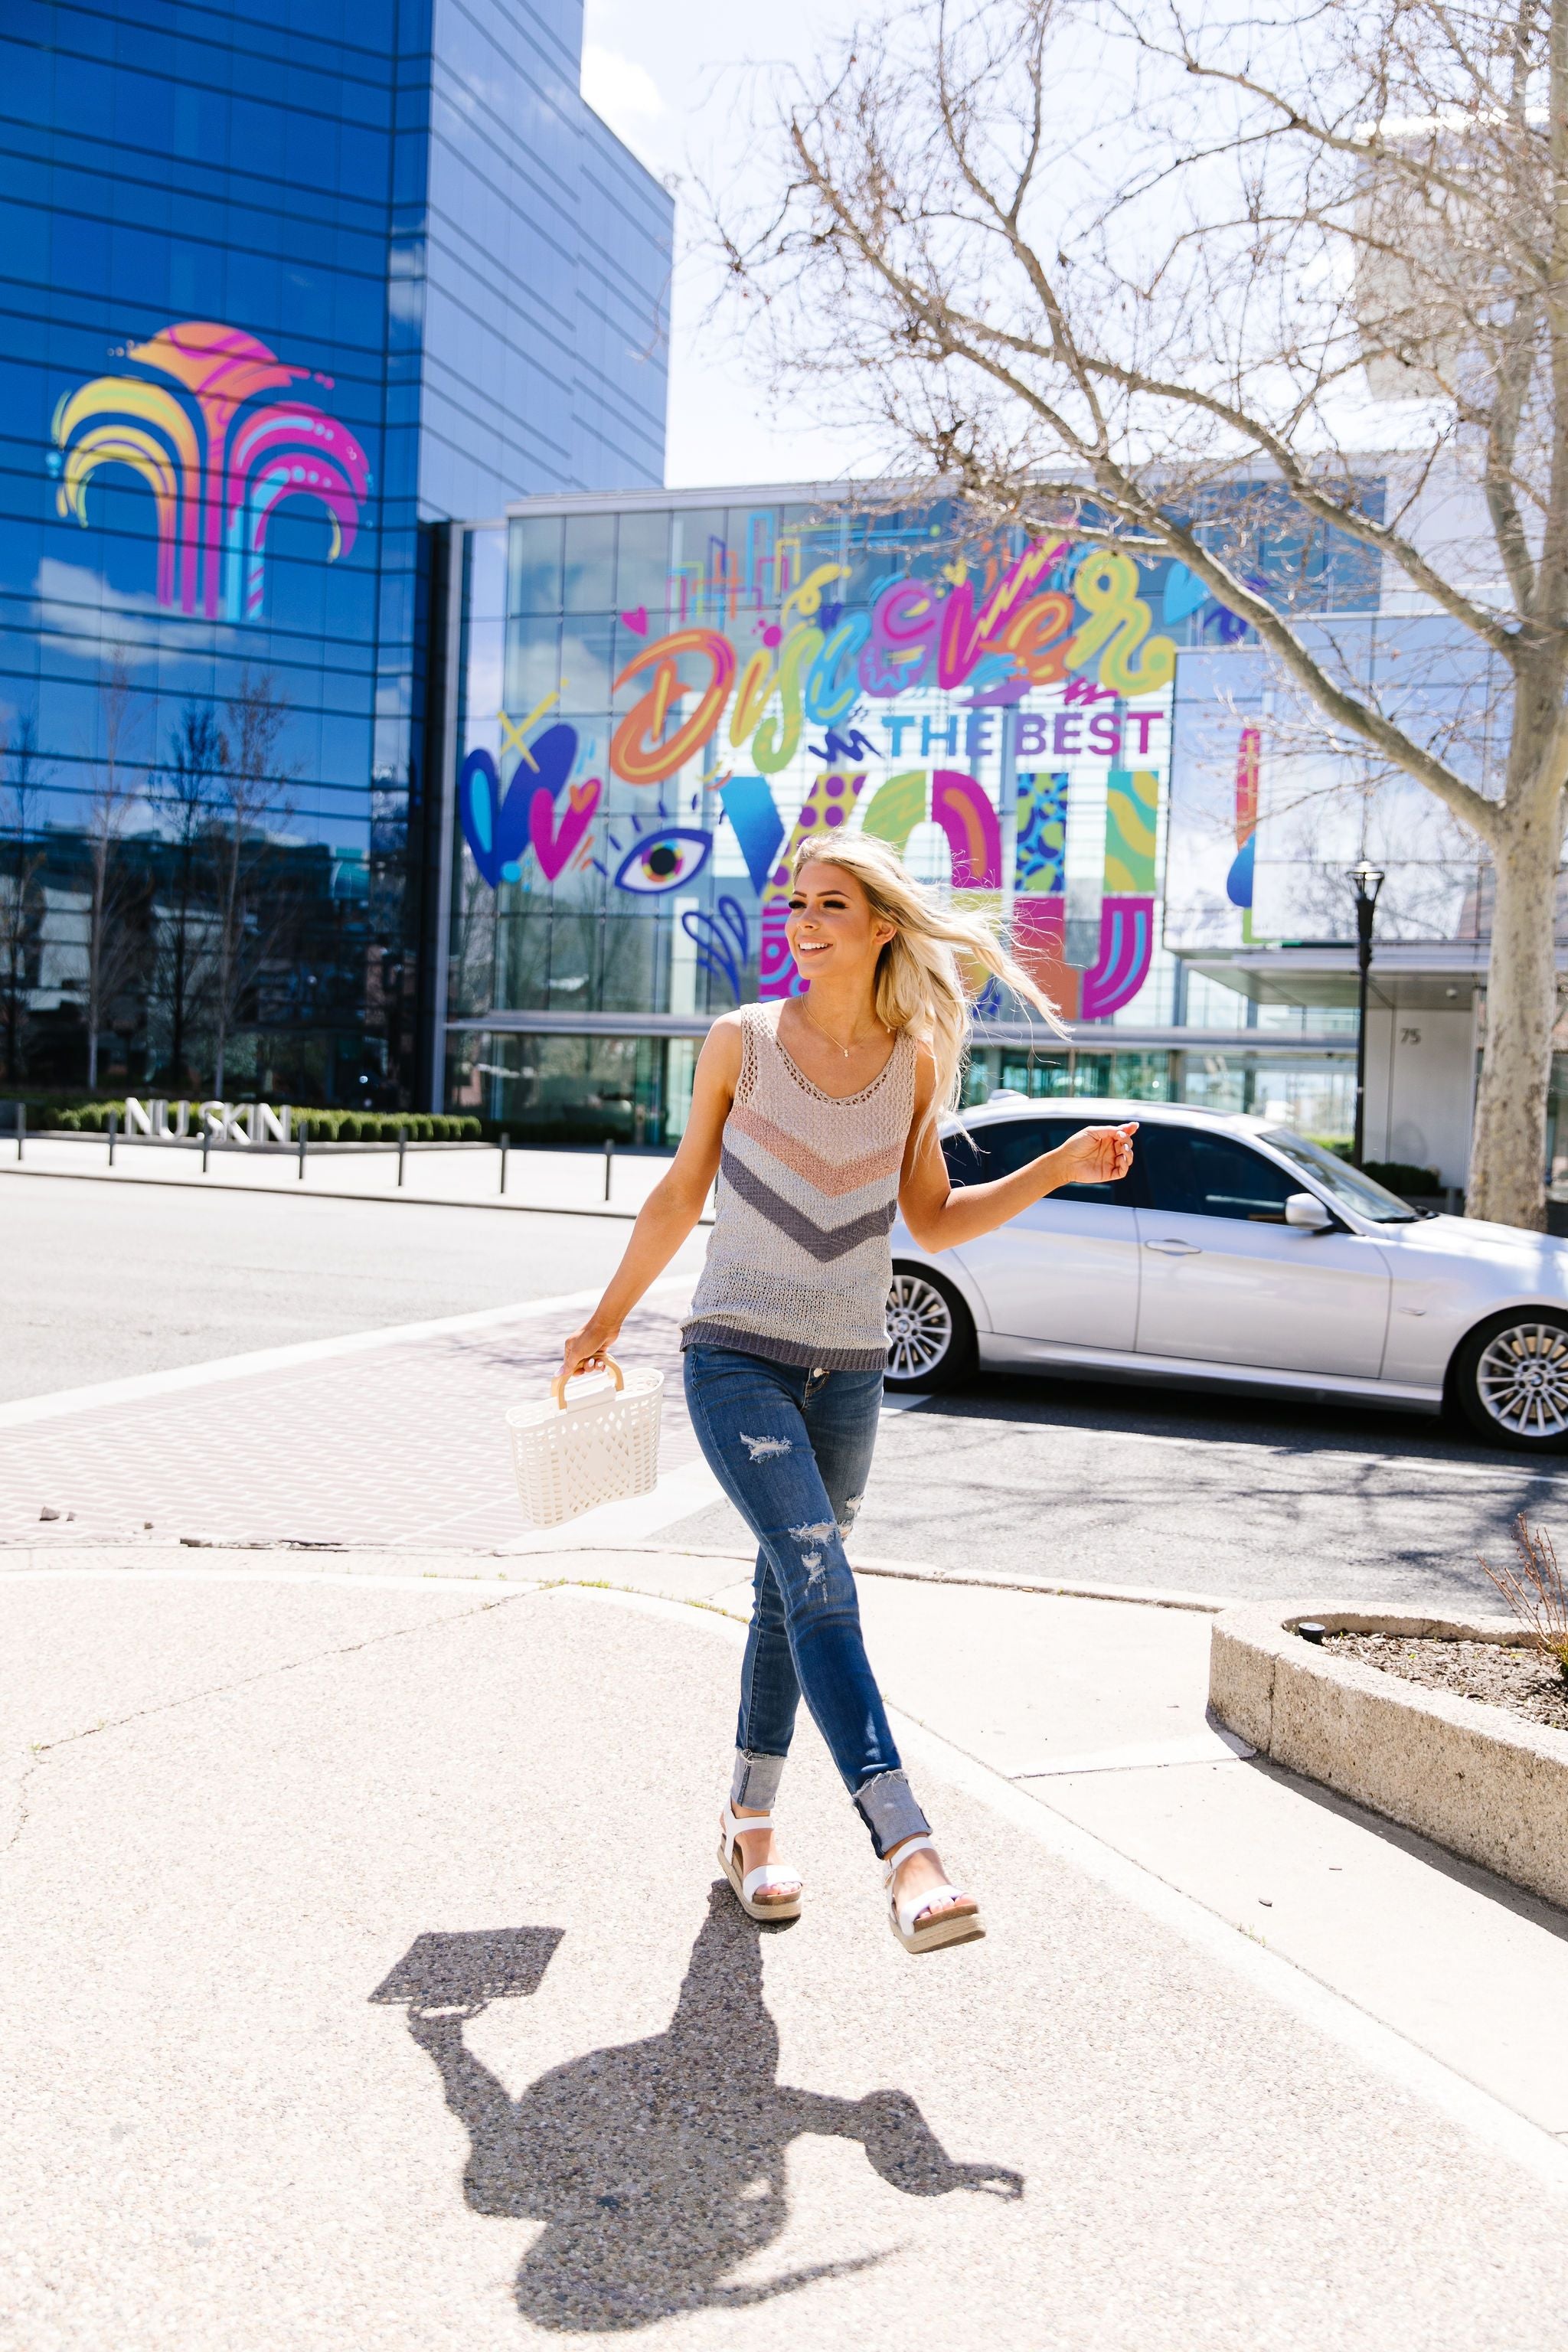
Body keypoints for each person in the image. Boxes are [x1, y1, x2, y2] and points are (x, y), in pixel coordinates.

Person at [560, 833, 1135, 1955]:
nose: (806, 920)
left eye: (833, 903)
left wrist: (1055, 1168)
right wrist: (607, 1318)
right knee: (819, 1575)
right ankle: (906, 1845)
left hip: (854, 1373)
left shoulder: (916, 1062)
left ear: (881, 926)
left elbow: (935, 1219)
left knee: (793, 1588)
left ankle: (748, 1823)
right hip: (736, 1357)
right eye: (797, 903)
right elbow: (684, 1193)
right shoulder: (744, 1041)